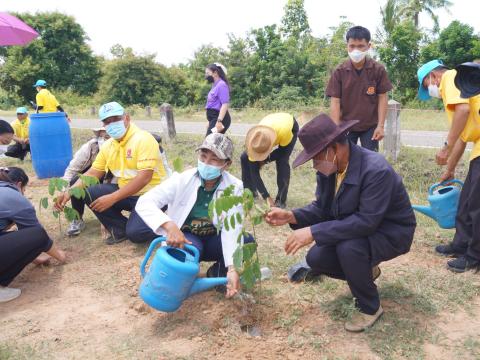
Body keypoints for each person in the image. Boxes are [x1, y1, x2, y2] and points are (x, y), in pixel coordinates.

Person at [265, 114, 416, 332]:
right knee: (316, 257)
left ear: (335, 148)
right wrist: (292, 216)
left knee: (349, 248)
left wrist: (314, 232)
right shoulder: (330, 170)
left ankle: (370, 307)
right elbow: (322, 208)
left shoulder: (375, 169)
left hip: (390, 231)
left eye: (317, 157)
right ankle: (365, 270)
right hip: (358, 228)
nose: (316, 164)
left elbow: (366, 222)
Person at [128, 133, 254, 298]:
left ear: (226, 164)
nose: (206, 163)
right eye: (203, 156)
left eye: (214, 159)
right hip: (186, 238)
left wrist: (232, 268)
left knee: (246, 241)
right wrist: (169, 226)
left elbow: (232, 229)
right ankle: (185, 273)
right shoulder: (182, 180)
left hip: (214, 239)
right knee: (189, 252)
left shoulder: (235, 187)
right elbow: (145, 202)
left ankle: (217, 274)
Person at [54, 102, 167, 245]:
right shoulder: (109, 145)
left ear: (127, 118)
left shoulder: (143, 139)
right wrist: (68, 192)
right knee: (88, 192)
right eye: (107, 121)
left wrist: (113, 198)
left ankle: (168, 221)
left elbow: (144, 178)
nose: (112, 124)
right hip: (128, 193)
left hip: (151, 195)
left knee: (137, 234)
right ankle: (120, 230)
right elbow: (93, 173)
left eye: (116, 119)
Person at [418, 60, 480, 272]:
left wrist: (445, 147)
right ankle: (461, 245)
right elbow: (463, 138)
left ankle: (474, 257)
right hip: (478, 147)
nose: (431, 90)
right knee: (466, 202)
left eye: (427, 85)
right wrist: (450, 168)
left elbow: (462, 111)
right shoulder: (458, 84)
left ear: (433, 76)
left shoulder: (451, 78)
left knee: (476, 206)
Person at [0, 167, 66, 303]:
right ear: (19, 185)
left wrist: (33, 256)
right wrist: (60, 256)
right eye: (24, 190)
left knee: (11, 234)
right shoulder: (13, 196)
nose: (23, 193)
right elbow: (38, 237)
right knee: (37, 233)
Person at [326, 26, 392, 152]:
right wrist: (335, 129)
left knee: (371, 162)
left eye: (361, 46)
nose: (356, 50)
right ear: (347, 46)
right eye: (352, 46)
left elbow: (383, 97)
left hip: (370, 127)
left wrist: (381, 126)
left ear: (368, 46)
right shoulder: (340, 71)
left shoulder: (378, 69)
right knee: (346, 163)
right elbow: (335, 101)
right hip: (345, 126)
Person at [241, 113, 299, 208]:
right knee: (244, 157)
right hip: (271, 123)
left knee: (282, 161)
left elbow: (282, 152)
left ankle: (281, 200)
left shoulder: (284, 132)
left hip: (288, 125)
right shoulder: (255, 139)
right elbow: (254, 173)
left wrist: (265, 160)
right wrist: (266, 197)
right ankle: (250, 192)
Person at [63, 127, 109, 236]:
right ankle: (77, 219)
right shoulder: (90, 147)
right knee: (76, 181)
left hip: (112, 179)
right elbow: (71, 170)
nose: (108, 139)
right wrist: (64, 191)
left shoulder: (120, 147)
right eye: (105, 136)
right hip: (92, 175)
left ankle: (109, 219)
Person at [205, 63, 231, 136]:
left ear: (215, 73)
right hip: (213, 119)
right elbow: (212, 104)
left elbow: (224, 104)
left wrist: (219, 121)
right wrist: (209, 121)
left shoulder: (221, 85)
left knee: (209, 139)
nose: (206, 75)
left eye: (208, 73)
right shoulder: (214, 85)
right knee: (212, 140)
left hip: (221, 120)